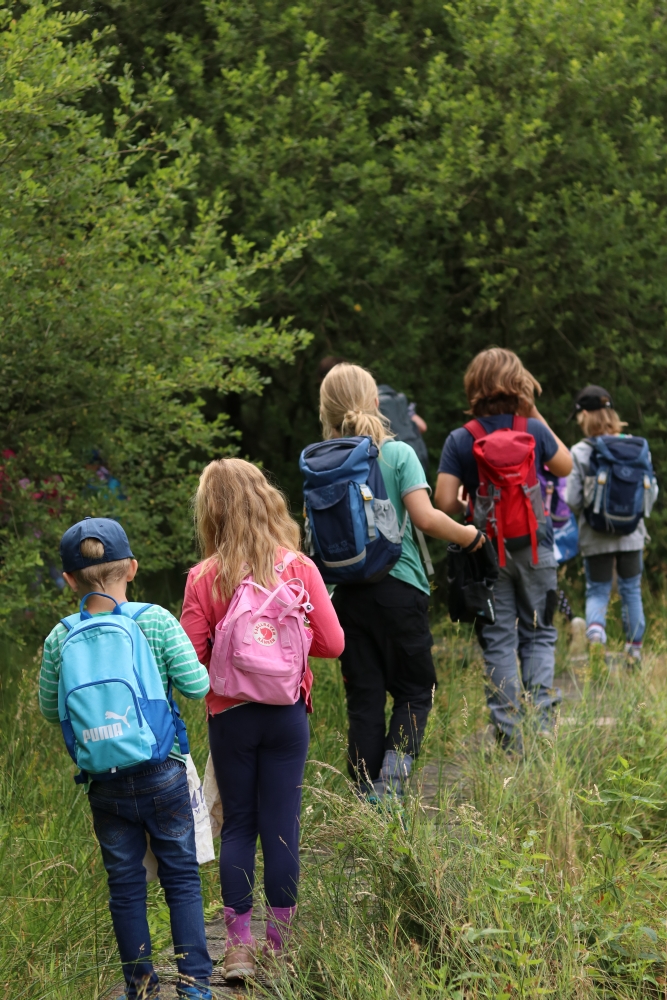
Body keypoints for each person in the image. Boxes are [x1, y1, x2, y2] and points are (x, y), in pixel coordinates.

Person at [180, 459, 344, 981]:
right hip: (286, 716)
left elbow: (190, 659)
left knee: (239, 826)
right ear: (265, 500)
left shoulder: (203, 578)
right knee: (281, 830)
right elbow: (333, 643)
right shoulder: (298, 568)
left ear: (211, 513)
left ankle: (238, 949)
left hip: (230, 719)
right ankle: (280, 948)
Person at [38, 517, 212, 1000]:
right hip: (163, 770)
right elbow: (198, 687)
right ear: (132, 568)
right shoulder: (155, 620)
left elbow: (51, 711)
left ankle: (140, 986)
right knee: (181, 877)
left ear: (69, 579)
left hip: (104, 782)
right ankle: (196, 984)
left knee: (126, 885)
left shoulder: (60, 636)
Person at [318, 363, 482, 802]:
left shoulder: (320, 463)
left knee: (365, 700)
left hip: (346, 597)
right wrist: (472, 537)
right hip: (400, 590)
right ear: (375, 401)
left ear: (326, 408)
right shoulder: (397, 453)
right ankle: (390, 791)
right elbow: (426, 519)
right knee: (415, 690)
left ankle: (363, 799)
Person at [434, 348, 573, 749]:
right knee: (540, 634)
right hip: (536, 550)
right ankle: (543, 727)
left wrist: (467, 506)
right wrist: (533, 411)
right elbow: (565, 467)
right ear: (521, 384)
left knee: (498, 640)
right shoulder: (533, 429)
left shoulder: (462, 438)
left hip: (486, 554)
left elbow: (443, 503)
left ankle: (510, 736)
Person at [565, 385, 652, 663]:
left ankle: (596, 638)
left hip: (596, 533)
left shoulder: (580, 451)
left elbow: (572, 498)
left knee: (598, 590)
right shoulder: (637, 446)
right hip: (632, 533)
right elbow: (653, 493)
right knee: (630, 589)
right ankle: (634, 651)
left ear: (583, 416)